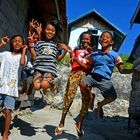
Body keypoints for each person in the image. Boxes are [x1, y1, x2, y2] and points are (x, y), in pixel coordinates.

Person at [75, 31, 136, 137]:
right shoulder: (95, 54)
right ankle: (91, 97)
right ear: (99, 40)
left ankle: (100, 104)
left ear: (111, 42)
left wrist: (132, 70)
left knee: (113, 96)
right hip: (93, 77)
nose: (104, 38)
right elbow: (87, 64)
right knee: (82, 84)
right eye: (102, 37)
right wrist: (80, 57)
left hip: (105, 80)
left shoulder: (114, 55)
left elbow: (121, 70)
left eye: (107, 37)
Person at [55, 31, 96, 136]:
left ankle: (79, 123)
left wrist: (78, 59)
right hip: (75, 73)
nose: (85, 40)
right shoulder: (77, 49)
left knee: (85, 101)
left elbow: (87, 67)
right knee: (69, 97)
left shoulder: (93, 52)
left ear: (91, 41)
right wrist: (69, 51)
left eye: (87, 39)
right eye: (83, 38)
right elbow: (72, 60)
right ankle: (62, 121)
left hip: (86, 75)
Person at [28, 20, 71, 94]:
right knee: (36, 86)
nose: (50, 32)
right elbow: (35, 56)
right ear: (44, 31)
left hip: (49, 69)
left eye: (52, 30)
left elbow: (57, 59)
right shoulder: (39, 43)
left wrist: (66, 51)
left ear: (55, 33)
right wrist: (31, 45)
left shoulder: (56, 45)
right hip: (39, 69)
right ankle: (47, 89)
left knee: (44, 85)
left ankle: (52, 86)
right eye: (48, 29)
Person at [0, 35, 27, 140]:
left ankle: (6, 133)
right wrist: (2, 44)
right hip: (1, 86)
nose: (17, 43)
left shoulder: (22, 56)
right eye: (14, 41)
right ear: (11, 43)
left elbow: (22, 63)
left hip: (11, 89)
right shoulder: (5, 54)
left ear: (22, 44)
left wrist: (24, 50)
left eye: (20, 41)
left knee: (8, 111)